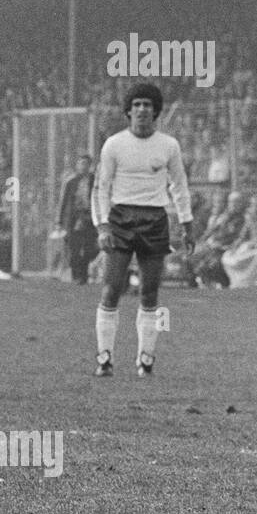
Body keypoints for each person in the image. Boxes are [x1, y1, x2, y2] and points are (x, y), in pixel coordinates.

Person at [92, 82, 194, 377]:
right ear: (128, 110)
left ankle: (146, 360)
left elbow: (180, 185)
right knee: (111, 289)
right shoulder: (113, 144)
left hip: (154, 220)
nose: (141, 110)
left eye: (147, 105)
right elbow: (101, 188)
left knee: (150, 292)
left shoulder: (169, 145)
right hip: (120, 218)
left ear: (156, 111)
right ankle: (104, 358)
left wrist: (187, 224)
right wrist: (103, 226)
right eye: (136, 104)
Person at [189, 191, 247, 288]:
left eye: (237, 202)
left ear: (241, 203)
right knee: (192, 256)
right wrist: (202, 241)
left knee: (211, 264)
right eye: (231, 202)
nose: (233, 205)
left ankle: (221, 287)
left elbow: (240, 237)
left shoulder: (244, 218)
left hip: (228, 248)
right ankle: (201, 286)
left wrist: (224, 246)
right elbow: (211, 230)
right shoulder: (224, 216)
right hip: (214, 246)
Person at [56, 154, 98, 284]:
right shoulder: (71, 181)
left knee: (88, 247)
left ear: (90, 166)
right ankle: (76, 276)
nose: (83, 166)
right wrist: (59, 221)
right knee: (74, 248)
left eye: (86, 164)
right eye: (81, 163)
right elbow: (64, 202)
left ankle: (84, 276)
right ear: (77, 165)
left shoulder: (94, 180)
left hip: (89, 218)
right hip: (74, 218)